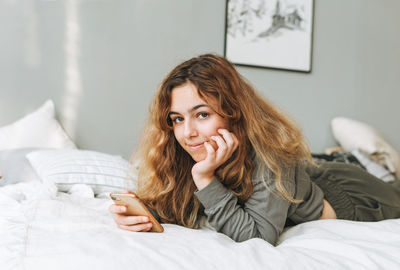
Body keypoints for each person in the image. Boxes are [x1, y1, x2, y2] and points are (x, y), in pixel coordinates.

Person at [109, 54, 400, 245]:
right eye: (177, 119)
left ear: (233, 113)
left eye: (202, 115)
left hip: (354, 194)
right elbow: (176, 205)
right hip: (308, 178)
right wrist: (140, 212)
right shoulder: (186, 150)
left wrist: (206, 179)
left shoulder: (269, 158)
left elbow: (257, 238)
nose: (187, 133)